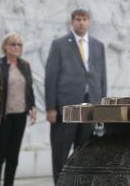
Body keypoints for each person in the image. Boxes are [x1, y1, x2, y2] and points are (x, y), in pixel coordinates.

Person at [44, 9, 107, 185]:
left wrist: (102, 106)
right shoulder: (59, 44)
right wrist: (50, 107)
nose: (81, 22)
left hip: (90, 107)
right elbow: (51, 77)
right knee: (61, 151)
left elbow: (102, 77)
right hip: (65, 107)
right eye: (78, 19)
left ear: (89, 22)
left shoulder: (97, 45)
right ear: (72, 22)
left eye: (84, 19)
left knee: (85, 151)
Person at [0, 32, 37, 186]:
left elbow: (29, 88)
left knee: (13, 155)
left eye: (19, 45)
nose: (17, 47)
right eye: (13, 44)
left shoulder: (25, 65)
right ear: (5, 46)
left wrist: (32, 107)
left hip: (20, 116)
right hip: (2, 117)